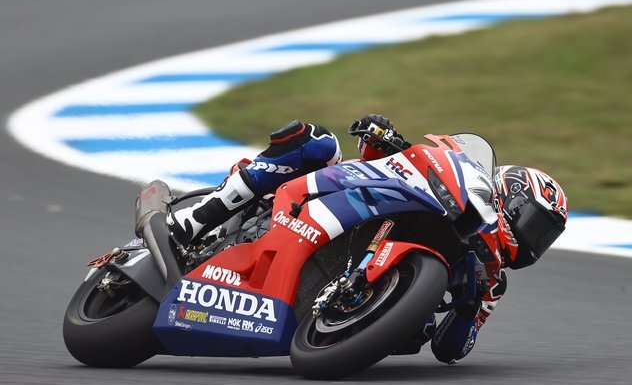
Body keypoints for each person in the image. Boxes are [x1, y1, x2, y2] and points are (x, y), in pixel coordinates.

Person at [166, 114, 568, 365]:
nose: (533, 242)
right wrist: (384, 139)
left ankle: (345, 308)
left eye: (542, 237)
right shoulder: (455, 185)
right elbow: (387, 162)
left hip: (355, 316)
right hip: (327, 212)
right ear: (507, 196)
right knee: (316, 141)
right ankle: (198, 221)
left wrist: (467, 309)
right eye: (534, 225)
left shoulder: (493, 282)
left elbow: (453, 351)